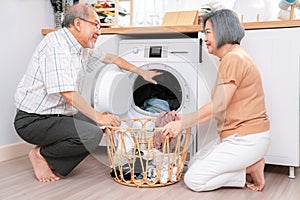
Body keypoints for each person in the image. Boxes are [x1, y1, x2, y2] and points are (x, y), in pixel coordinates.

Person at [13, 3, 161, 183]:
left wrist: (141, 72)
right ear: (77, 24)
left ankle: (53, 156)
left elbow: (110, 58)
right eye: (96, 24)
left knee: (110, 121)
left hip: (59, 116)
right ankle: (41, 155)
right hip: (33, 120)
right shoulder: (56, 45)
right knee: (91, 134)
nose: (99, 31)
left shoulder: (82, 48)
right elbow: (67, 92)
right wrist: (98, 117)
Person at [161, 9, 270, 192]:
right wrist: (184, 118)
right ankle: (249, 166)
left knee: (194, 180)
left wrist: (184, 123)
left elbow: (219, 106)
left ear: (222, 30)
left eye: (208, 32)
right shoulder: (232, 57)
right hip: (236, 136)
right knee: (193, 163)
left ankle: (249, 169)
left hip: (246, 138)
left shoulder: (233, 59)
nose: (205, 38)